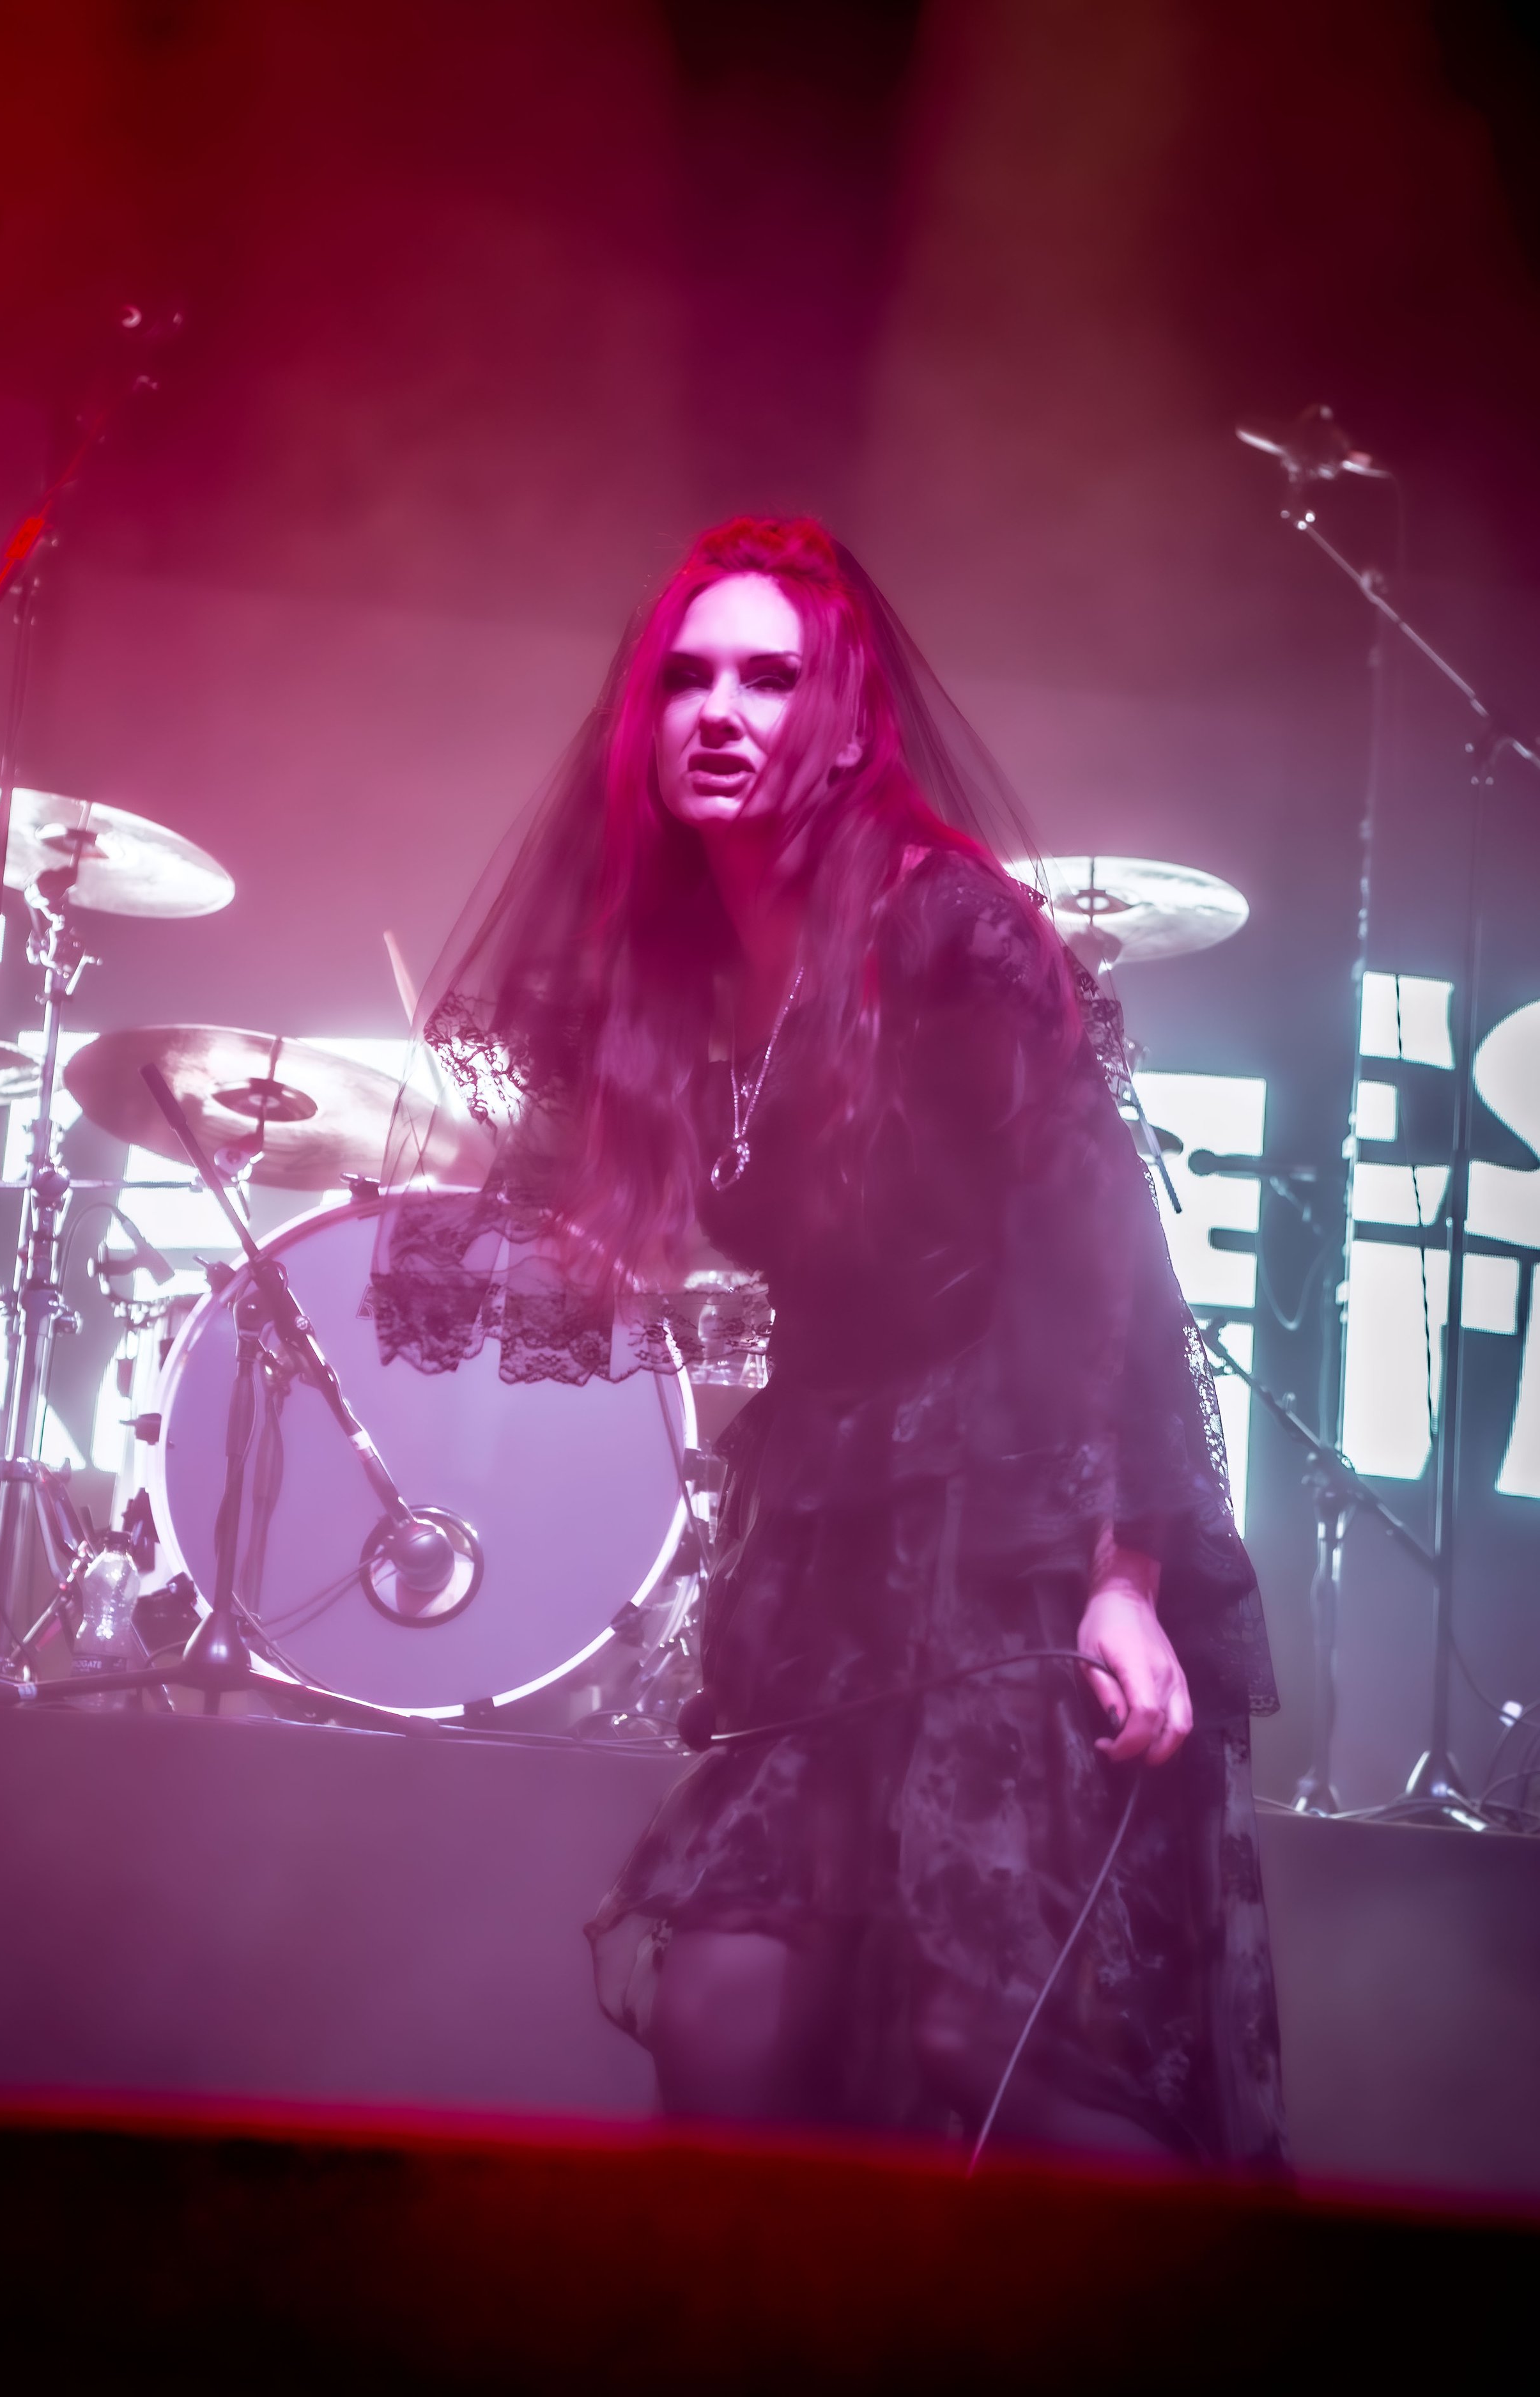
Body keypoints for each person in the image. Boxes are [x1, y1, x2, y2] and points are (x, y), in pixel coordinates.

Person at [371, 516, 1288, 2164]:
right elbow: (591, 1230)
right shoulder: (673, 972)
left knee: (989, 2026)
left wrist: (1125, 1577)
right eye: (687, 680)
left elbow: (1105, 1269)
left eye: (770, 679)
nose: (720, 713)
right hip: (830, 1529)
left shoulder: (952, 931)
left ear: (847, 720)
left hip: (1011, 1518)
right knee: (727, 2013)